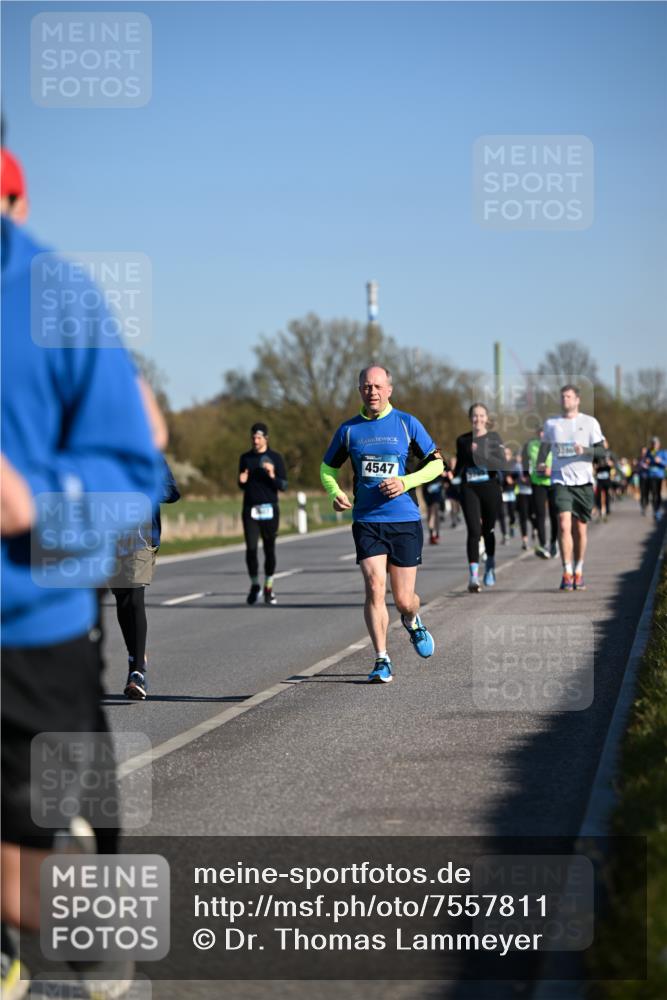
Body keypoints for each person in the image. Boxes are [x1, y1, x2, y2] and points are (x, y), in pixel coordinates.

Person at [1, 149, 158, 996]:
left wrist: (34, 502)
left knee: (37, 841)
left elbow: (134, 470)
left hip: (30, 622)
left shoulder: (55, 296)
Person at [320, 365, 443, 683]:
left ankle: (412, 620)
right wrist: (335, 493)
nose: (371, 391)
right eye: (366, 386)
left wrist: (405, 481)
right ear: (359, 390)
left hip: (404, 520)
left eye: (377, 386)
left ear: (389, 389)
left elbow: (437, 464)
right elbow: (327, 468)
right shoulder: (349, 430)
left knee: (403, 600)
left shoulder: (406, 423)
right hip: (367, 520)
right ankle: (381, 659)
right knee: (375, 586)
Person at [109, 455, 180, 700]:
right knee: (123, 601)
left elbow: (172, 491)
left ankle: (137, 672)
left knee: (135, 596)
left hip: (141, 537)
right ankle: (136, 658)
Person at [538, 385, 606, 591]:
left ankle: (578, 570)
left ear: (577, 400)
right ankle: (566, 572)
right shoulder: (552, 424)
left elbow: (602, 452)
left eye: (568, 397)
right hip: (560, 481)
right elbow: (543, 449)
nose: (565, 400)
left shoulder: (590, 422)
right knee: (564, 524)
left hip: (583, 482)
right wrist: (541, 463)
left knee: (580, 529)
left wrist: (584, 449)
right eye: (562, 397)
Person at [456, 403, 506, 592]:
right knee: (474, 531)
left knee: (488, 530)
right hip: (469, 488)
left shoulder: (494, 438)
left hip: (490, 487)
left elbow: (501, 463)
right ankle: (473, 577)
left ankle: (490, 566)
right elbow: (460, 466)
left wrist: (482, 454)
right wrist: (447, 474)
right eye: (475, 415)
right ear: (470, 418)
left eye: (482, 415)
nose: (478, 419)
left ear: (487, 418)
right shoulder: (463, 440)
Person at [239, 422, 288, 605]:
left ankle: (268, 587)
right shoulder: (245, 458)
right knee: (251, 549)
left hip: (270, 509)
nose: (255, 440)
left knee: (269, 549)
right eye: (253, 437)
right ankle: (254, 585)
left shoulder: (275, 457)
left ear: (266, 438)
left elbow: (283, 486)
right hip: (250, 509)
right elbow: (242, 484)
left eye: (259, 437)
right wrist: (242, 481)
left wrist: (272, 475)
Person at [522, 428, 554, 558]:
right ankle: (543, 544)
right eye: (540, 431)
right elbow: (525, 459)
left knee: (555, 514)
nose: (542, 434)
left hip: (554, 483)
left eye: (544, 431)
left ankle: (554, 542)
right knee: (540, 514)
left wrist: (552, 471)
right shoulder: (530, 445)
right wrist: (526, 474)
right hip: (538, 483)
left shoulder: (556, 443)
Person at [643, 436, 666, 521]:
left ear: (659, 444)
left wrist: (660, 461)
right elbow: (644, 461)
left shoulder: (663, 452)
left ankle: (657, 510)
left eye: (655, 443)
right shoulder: (649, 452)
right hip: (651, 476)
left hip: (659, 476)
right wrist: (647, 462)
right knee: (653, 493)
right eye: (653, 443)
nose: (654, 445)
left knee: (658, 494)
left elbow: (666, 463)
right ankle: (655, 510)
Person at [593, 438, 615, 522]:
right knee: (599, 495)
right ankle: (600, 510)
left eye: (605, 443)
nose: (604, 444)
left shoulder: (609, 453)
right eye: (603, 443)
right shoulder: (597, 454)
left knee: (606, 494)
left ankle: (607, 509)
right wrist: (596, 466)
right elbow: (594, 464)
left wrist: (610, 463)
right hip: (599, 477)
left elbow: (614, 463)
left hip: (607, 477)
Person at [422, 471, 446, 544]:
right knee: (432, 515)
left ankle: (434, 534)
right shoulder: (426, 470)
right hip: (429, 495)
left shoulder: (439, 471)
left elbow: (445, 482)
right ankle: (433, 535)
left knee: (434, 514)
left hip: (436, 495)